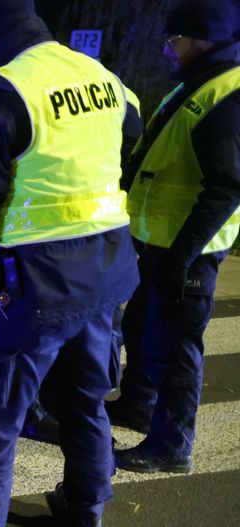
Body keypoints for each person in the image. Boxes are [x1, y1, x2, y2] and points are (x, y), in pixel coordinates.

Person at [0, 2, 141, 525]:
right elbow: (132, 130)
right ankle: (86, 511)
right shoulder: (100, 75)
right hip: (107, 274)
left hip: (36, 284)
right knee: (86, 403)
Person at [112, 0, 240, 475]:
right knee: (142, 329)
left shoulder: (227, 93)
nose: (167, 48)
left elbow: (226, 186)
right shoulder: (193, 85)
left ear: (202, 38)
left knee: (177, 346)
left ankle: (171, 445)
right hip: (159, 241)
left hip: (188, 251)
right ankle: (136, 405)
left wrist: (180, 257)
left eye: (174, 39)